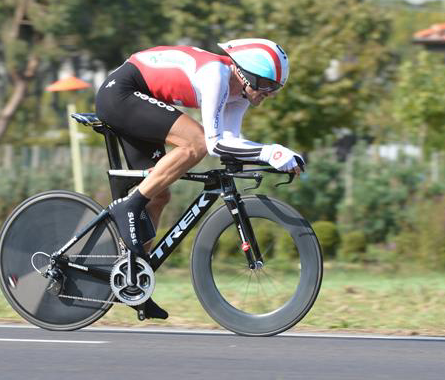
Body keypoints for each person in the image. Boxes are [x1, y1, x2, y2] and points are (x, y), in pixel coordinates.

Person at [95, 38, 304, 319]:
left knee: (159, 195)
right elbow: (214, 144)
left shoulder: (239, 94)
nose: (270, 94)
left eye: (276, 89)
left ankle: (133, 281)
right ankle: (128, 205)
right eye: (267, 85)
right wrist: (270, 152)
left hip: (138, 97)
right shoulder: (215, 75)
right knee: (196, 143)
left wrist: (273, 157)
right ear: (246, 73)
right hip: (122, 92)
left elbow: (231, 142)